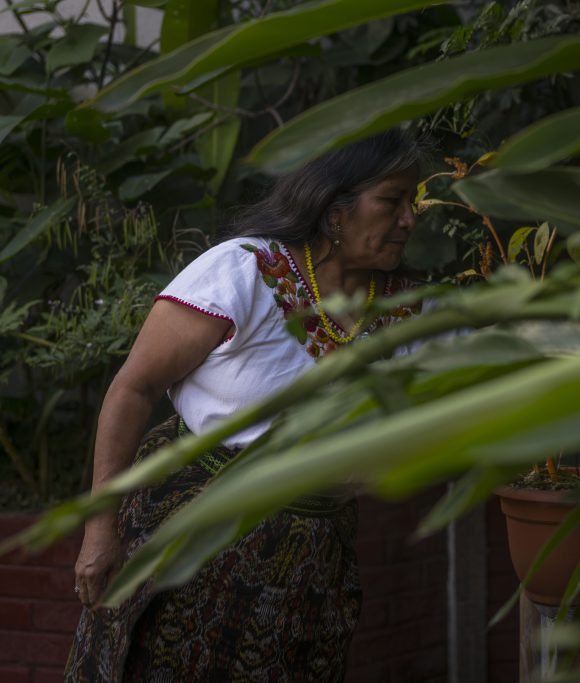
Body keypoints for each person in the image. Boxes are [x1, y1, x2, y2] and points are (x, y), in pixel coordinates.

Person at [65, 128, 424, 681]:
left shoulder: (405, 312)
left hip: (316, 561)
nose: (409, 219)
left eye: (413, 201)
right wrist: (99, 531)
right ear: (335, 210)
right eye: (392, 201)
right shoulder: (245, 273)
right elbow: (131, 390)